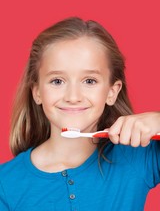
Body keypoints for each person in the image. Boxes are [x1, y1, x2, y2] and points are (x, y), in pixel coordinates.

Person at [0, 17, 160, 211]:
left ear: (112, 92)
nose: (73, 97)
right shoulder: (5, 185)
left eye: (90, 81)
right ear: (37, 92)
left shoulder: (138, 157)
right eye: (57, 81)